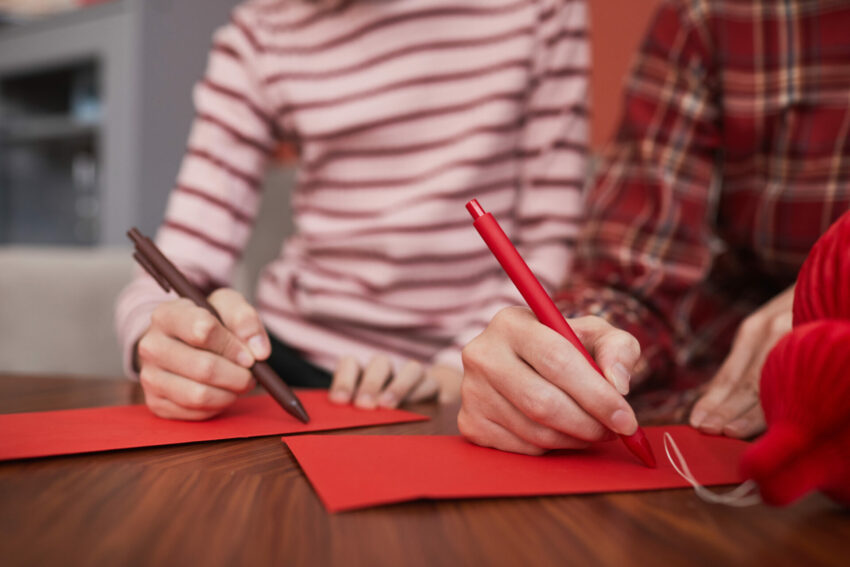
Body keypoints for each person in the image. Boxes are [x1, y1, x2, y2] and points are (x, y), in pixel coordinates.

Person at [115, 0, 589, 420]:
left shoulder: (538, 9)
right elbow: (178, 263)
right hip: (286, 364)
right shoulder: (260, 31)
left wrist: (457, 369)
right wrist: (156, 340)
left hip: (475, 369)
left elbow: (547, 248)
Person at [458, 0, 850, 454]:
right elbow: (633, 285)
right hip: (727, 416)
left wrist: (833, 297)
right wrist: (564, 357)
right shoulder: (711, 16)